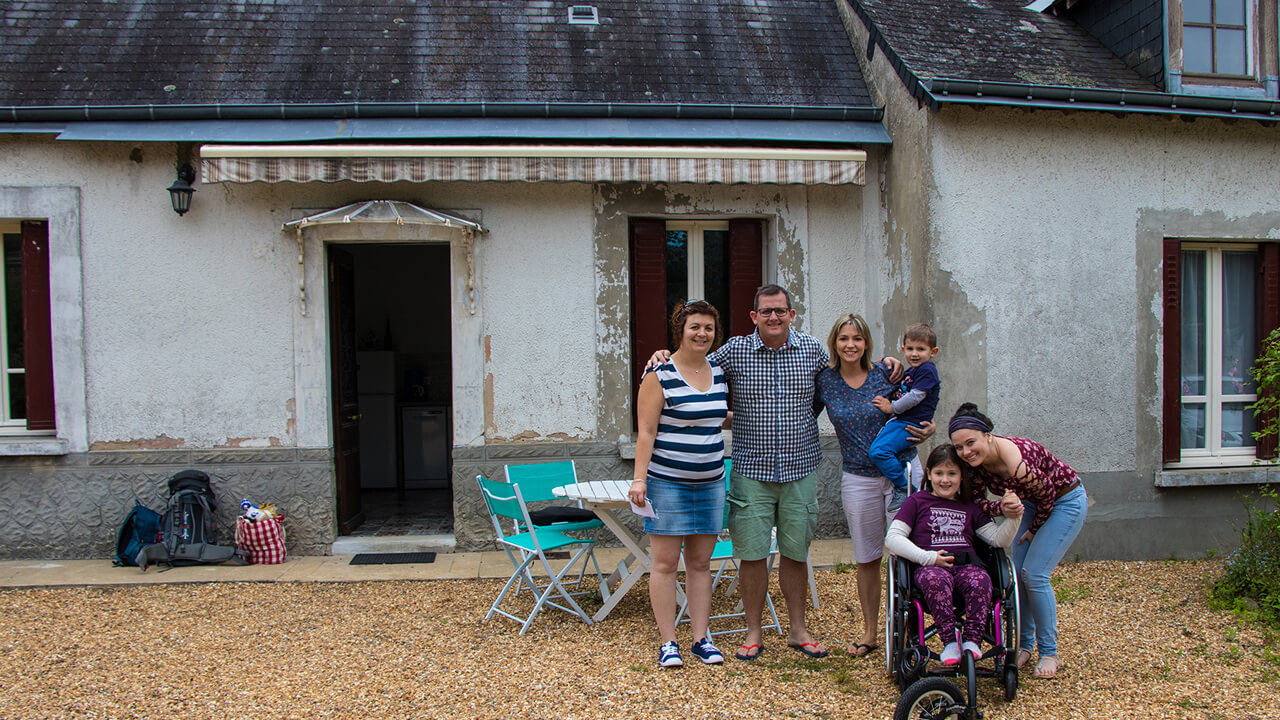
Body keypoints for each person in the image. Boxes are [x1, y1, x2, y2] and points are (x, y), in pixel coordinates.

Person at [647, 285, 855, 661]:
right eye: (765, 311)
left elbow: (842, 383)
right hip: (751, 471)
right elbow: (692, 359)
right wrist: (660, 354)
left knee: (795, 552)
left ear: (792, 314)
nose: (773, 317)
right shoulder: (733, 352)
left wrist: (891, 369)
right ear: (753, 316)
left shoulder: (813, 351)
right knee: (751, 554)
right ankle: (754, 631)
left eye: (780, 311)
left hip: (799, 467)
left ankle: (797, 629)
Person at [814, 313, 932, 658]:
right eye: (843, 339)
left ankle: (912, 631)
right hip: (858, 478)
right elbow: (801, 413)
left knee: (909, 553)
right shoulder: (826, 381)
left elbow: (922, 402)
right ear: (834, 343)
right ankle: (870, 632)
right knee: (867, 557)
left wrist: (931, 426)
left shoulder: (888, 373)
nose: (850, 345)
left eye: (857, 338)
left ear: (867, 343)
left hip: (904, 471)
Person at [948, 402, 1088, 679]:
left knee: (1034, 575)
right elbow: (975, 503)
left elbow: (1048, 495)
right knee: (1017, 576)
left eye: (971, 443)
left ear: (988, 435)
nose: (966, 452)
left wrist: (1034, 530)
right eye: (959, 447)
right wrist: (1001, 509)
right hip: (1029, 505)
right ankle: (1025, 646)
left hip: (1064, 501)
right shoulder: (972, 464)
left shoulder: (1017, 463)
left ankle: (1049, 652)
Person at [628, 299, 730, 668]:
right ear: (680, 331)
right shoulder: (659, 373)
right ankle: (668, 641)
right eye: (695, 327)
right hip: (666, 483)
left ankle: (702, 638)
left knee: (701, 564)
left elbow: (715, 416)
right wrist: (639, 479)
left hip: (711, 482)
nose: (702, 333)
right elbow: (646, 431)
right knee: (666, 563)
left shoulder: (718, 369)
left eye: (708, 328)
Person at [884, 445, 1022, 665]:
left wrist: (1014, 517)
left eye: (952, 473)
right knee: (935, 580)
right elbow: (892, 539)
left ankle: (972, 641)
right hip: (930, 566)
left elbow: (998, 540)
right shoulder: (917, 502)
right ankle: (950, 642)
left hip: (967, 565)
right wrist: (928, 557)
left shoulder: (970, 506)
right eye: (939, 473)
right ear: (929, 474)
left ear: (961, 476)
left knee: (981, 581)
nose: (945, 480)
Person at [870, 323, 941, 513]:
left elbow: (915, 396)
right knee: (883, 449)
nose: (914, 353)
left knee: (879, 451)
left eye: (921, 349)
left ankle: (903, 486)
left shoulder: (927, 370)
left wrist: (891, 407)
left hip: (910, 422)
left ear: (933, 351)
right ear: (903, 349)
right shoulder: (911, 371)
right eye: (910, 348)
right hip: (901, 421)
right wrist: (884, 361)